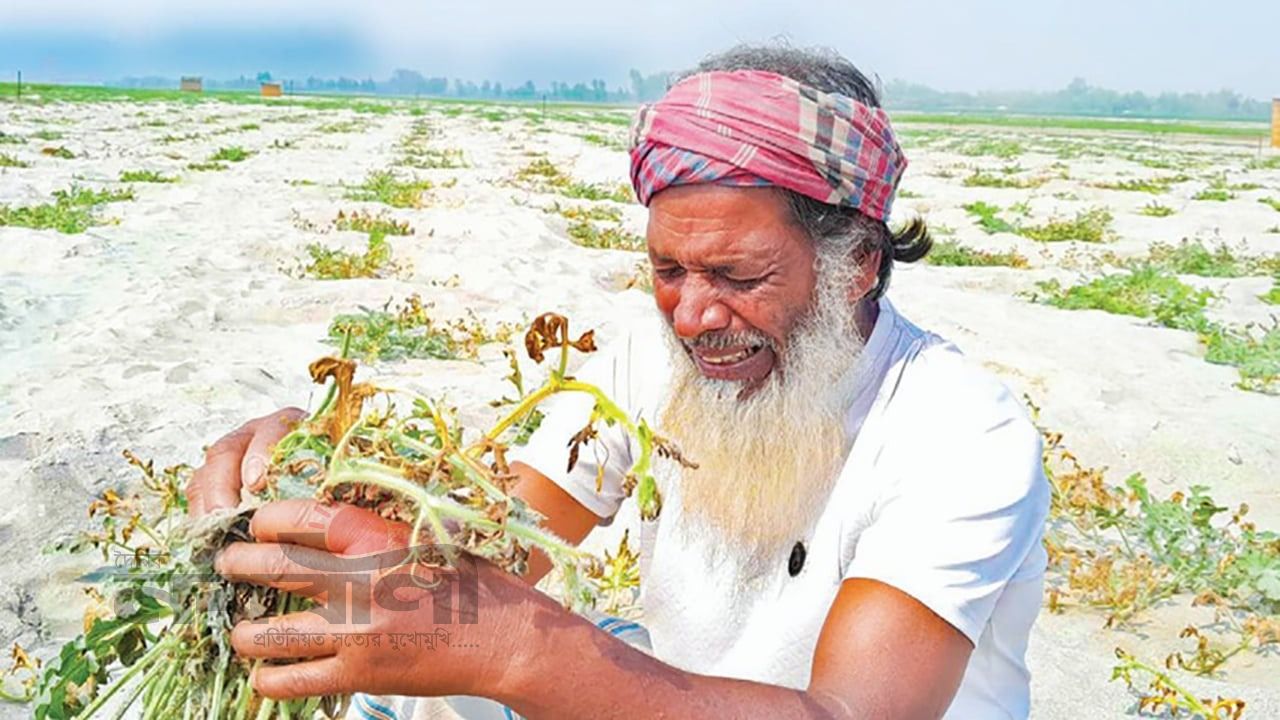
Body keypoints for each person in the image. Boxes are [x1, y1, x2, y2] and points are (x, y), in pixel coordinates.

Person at [191, 43, 1050, 719]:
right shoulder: (646, 366)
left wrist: (520, 650)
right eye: (669, 270)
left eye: (739, 276)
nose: (692, 317)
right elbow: (489, 551)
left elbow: (851, 713)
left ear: (856, 263)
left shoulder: (960, 432)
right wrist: (323, 469)